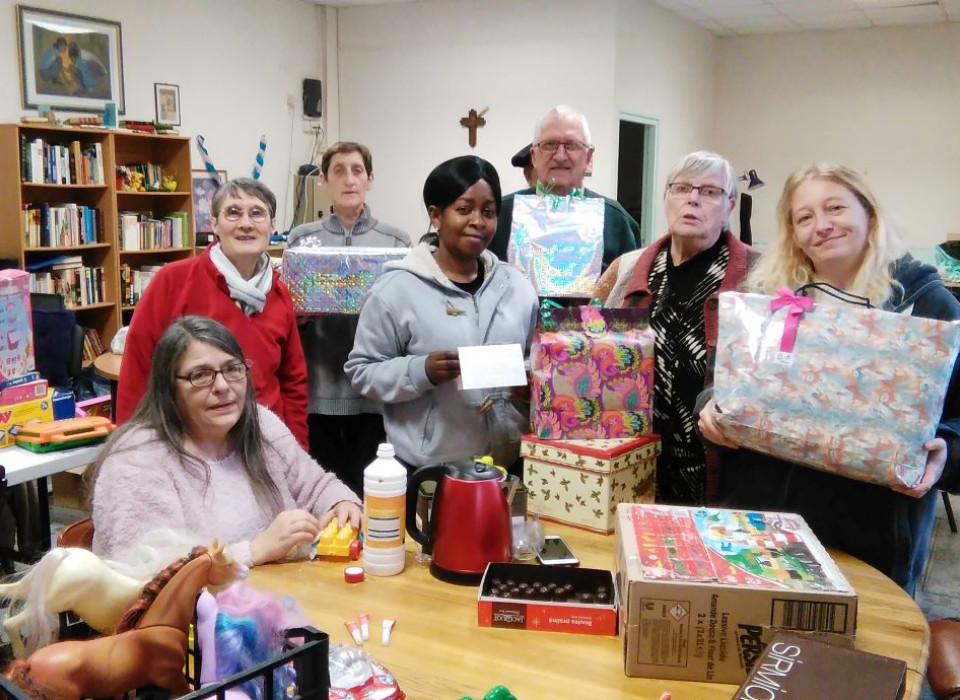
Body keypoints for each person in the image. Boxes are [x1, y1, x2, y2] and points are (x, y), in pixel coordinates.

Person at [698, 163, 960, 595]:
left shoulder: (928, 305)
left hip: (869, 537)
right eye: (804, 217)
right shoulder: (768, 300)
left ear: (868, 215)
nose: (821, 226)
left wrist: (946, 453)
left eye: (835, 207)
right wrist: (709, 410)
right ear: (792, 233)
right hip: (758, 524)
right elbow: (718, 386)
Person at [91, 316, 361, 567]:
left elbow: (316, 485)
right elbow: (154, 573)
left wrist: (341, 505)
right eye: (201, 375)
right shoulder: (137, 460)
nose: (222, 386)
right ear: (169, 388)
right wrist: (254, 551)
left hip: (275, 599)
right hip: (188, 616)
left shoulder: (260, 424)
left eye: (233, 369)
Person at [345, 155, 538, 471]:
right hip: (432, 468)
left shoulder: (517, 286)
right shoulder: (395, 289)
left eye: (488, 212)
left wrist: (531, 383)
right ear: (436, 215)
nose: (478, 220)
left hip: (510, 461)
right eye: (464, 209)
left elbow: (536, 358)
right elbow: (362, 371)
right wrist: (420, 371)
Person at [594, 150, 755, 505]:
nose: (693, 199)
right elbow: (590, 345)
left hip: (721, 472)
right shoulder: (626, 270)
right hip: (637, 463)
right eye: (682, 188)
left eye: (709, 192)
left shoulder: (761, 277)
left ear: (730, 205)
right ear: (667, 197)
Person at [116, 178, 309, 448]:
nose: (245, 223)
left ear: (272, 226)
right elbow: (138, 371)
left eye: (257, 213)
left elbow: (293, 381)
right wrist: (132, 450)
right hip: (192, 447)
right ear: (215, 224)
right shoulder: (173, 282)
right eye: (233, 212)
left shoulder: (279, 293)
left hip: (265, 445)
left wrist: (296, 450)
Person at [287, 142, 411, 495]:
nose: (349, 179)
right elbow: (285, 319)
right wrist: (300, 317)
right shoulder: (302, 239)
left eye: (357, 170)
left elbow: (406, 313)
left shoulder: (396, 241)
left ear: (370, 179)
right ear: (323, 180)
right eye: (338, 171)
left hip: (375, 397)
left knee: (371, 493)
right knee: (322, 493)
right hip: (318, 391)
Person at [490, 106, 640, 269]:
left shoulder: (616, 221)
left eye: (571, 145)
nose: (560, 156)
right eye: (550, 145)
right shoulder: (502, 215)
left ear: (589, 157)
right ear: (534, 156)